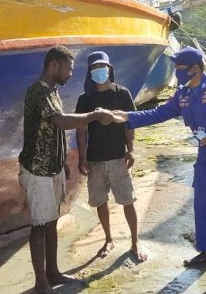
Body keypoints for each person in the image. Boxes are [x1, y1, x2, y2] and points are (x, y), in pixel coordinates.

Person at [113, 46, 206, 283]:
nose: (177, 73)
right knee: (202, 202)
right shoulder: (183, 95)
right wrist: (128, 117)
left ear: (195, 68)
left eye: (180, 69)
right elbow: (160, 113)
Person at [18, 45, 121, 294]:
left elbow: (52, 129)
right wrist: (94, 116)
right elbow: (61, 121)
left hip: (52, 167)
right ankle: (40, 283)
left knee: (52, 222)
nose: (71, 74)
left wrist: (62, 160)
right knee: (40, 225)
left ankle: (52, 272)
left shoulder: (52, 91)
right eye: (68, 69)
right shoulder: (38, 91)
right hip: (37, 169)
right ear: (53, 65)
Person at [75, 51, 148, 262]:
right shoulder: (85, 99)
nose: (99, 71)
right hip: (95, 158)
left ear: (109, 69)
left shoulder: (122, 93)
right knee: (100, 201)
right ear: (90, 72)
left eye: (102, 67)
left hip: (118, 157)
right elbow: (81, 129)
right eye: (95, 68)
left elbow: (129, 123)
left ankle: (135, 241)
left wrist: (131, 149)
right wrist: (82, 157)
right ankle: (108, 239)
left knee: (128, 200)